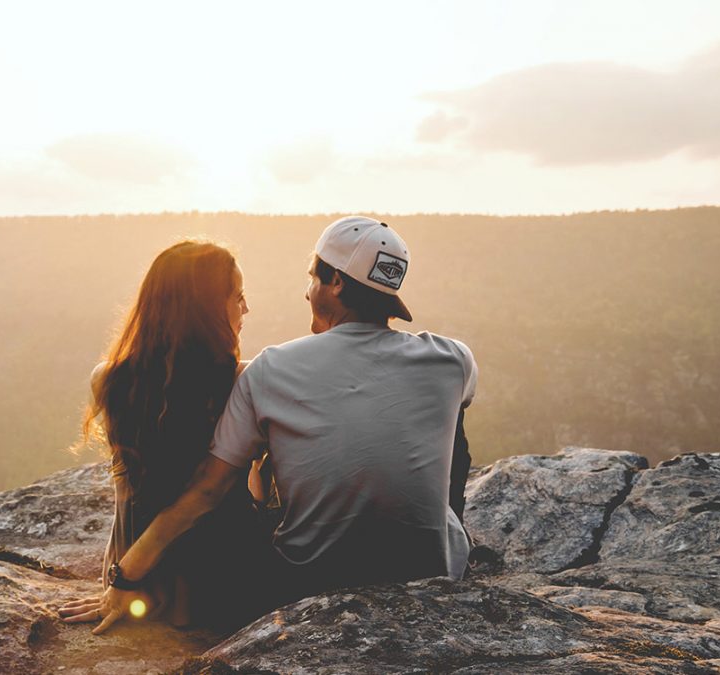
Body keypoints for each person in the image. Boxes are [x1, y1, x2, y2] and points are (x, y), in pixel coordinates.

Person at [80, 216, 478, 634]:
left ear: (336, 283)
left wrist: (127, 572)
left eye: (313, 277)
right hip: (433, 572)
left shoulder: (272, 369)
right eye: (239, 298)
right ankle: (438, 533)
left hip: (307, 578)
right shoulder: (453, 359)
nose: (307, 290)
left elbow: (208, 488)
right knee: (455, 413)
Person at [58, 240, 262, 632]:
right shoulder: (243, 380)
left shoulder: (108, 379)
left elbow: (126, 498)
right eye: (238, 297)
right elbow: (211, 495)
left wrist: (119, 580)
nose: (246, 309)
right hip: (226, 581)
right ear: (204, 311)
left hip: (146, 585)